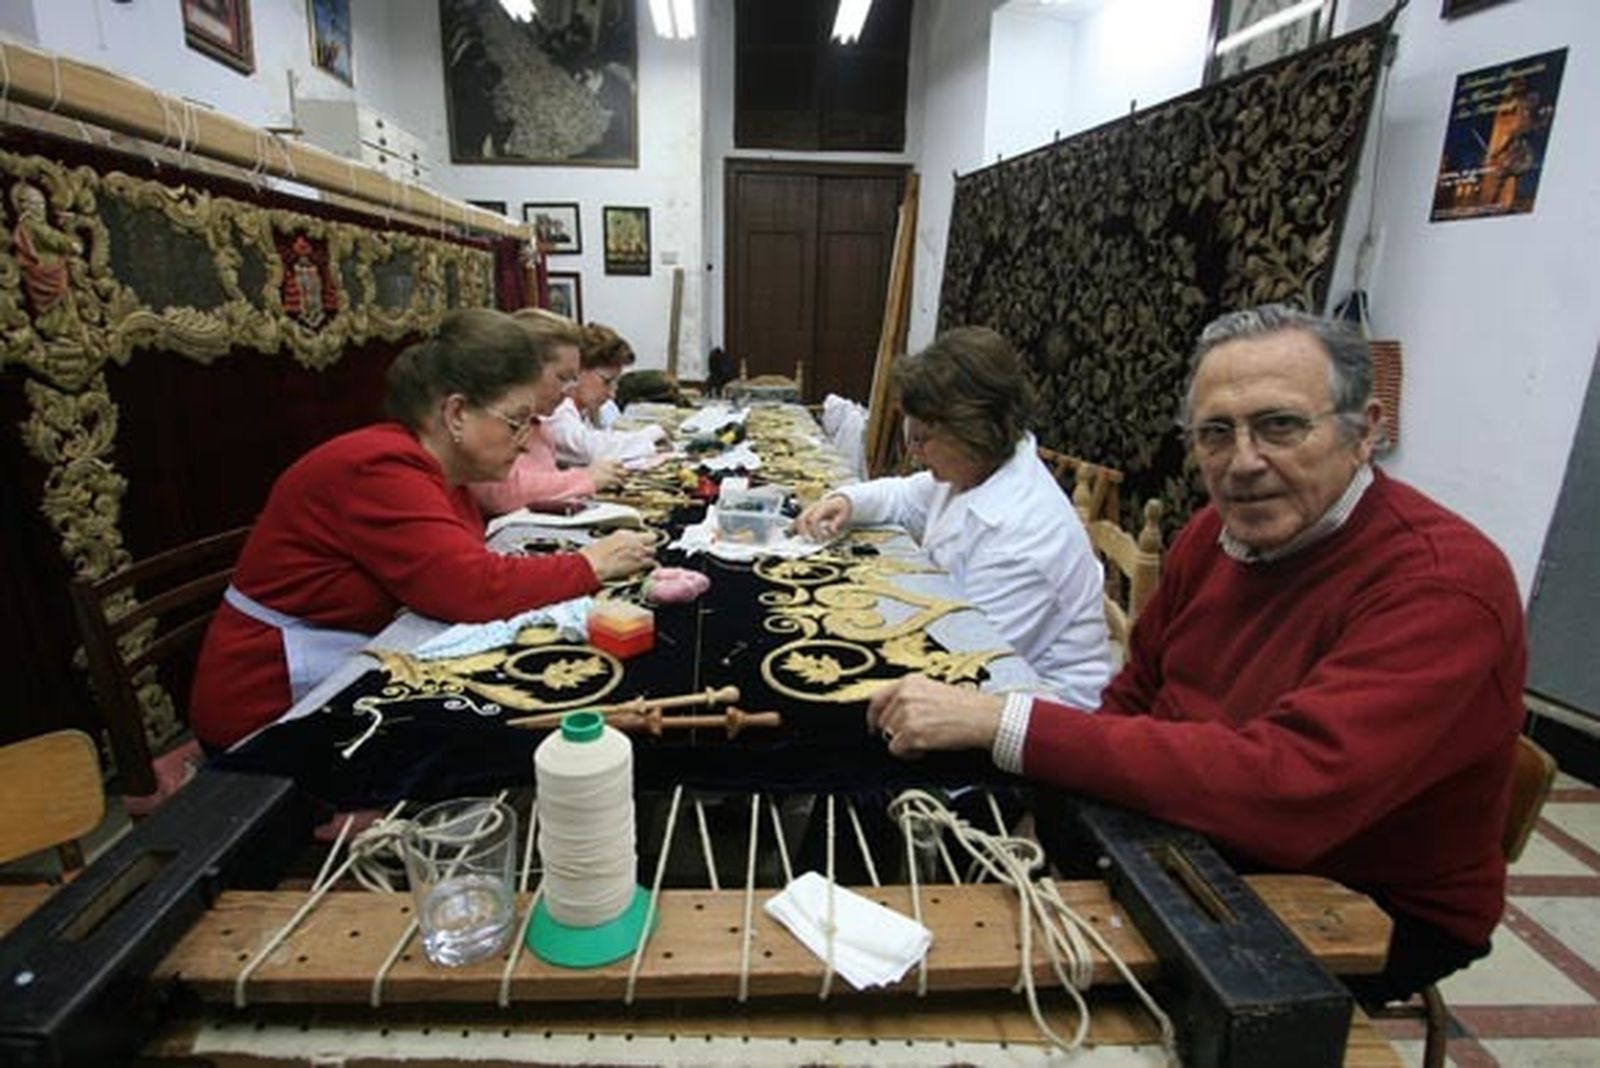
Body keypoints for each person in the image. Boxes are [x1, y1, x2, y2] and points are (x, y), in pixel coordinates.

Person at [865, 305, 1527, 1005]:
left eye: (1281, 426)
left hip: (1362, 887)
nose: (1244, 462)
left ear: (1365, 433)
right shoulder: (1215, 533)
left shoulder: (1441, 585)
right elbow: (1134, 694)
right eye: (1216, 433)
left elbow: (1294, 789)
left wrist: (1009, 723)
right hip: (1202, 816)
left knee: (1103, 1002)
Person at [190, 308, 658, 751]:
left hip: (345, 657)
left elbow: (463, 569)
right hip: (269, 702)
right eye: (516, 422)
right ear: (456, 414)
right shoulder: (379, 468)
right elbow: (470, 587)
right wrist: (589, 564)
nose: (524, 442)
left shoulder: (443, 474)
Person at [796, 326, 1111, 710]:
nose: (914, 453)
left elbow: (966, 661)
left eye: (922, 438)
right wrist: (846, 500)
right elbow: (901, 497)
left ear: (972, 429)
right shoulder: (974, 470)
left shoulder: (1024, 537)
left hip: (1040, 717)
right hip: (976, 664)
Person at [468, 310, 626, 517]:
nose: (569, 389)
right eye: (562, 378)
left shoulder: (539, 426)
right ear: (523, 369)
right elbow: (500, 493)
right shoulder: (486, 418)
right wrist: (586, 479)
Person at [543, 322, 667, 465]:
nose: (612, 394)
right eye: (606, 382)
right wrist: (650, 434)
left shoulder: (585, 410)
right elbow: (590, 450)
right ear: (578, 370)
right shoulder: (555, 410)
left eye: (616, 383)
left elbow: (602, 439)